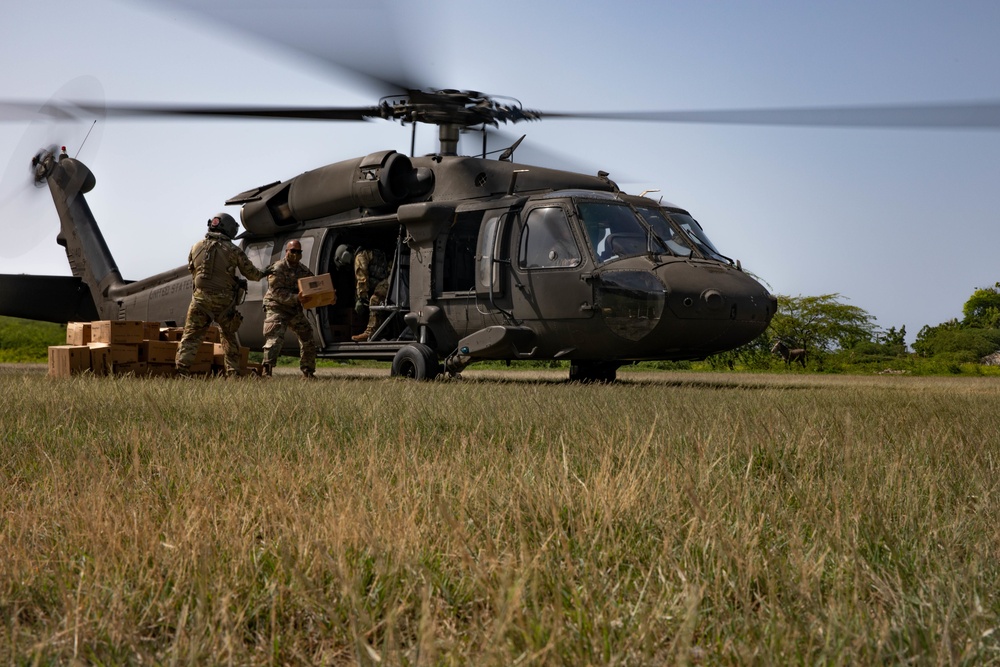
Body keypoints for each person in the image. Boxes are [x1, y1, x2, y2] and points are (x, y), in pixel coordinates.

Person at [175, 212, 268, 377]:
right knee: (229, 336)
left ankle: (182, 370)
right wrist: (266, 271)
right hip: (224, 303)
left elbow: (193, 271)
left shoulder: (196, 247)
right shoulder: (233, 250)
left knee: (190, 337)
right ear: (228, 229)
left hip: (199, 300)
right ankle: (233, 372)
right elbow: (252, 274)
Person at [262, 239, 318, 378]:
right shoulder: (278, 268)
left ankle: (308, 371)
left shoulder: (303, 270)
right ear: (286, 251)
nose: (296, 254)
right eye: (293, 251)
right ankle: (266, 370)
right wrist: (297, 298)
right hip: (276, 306)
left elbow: (314, 285)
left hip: (293, 309)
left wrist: (326, 296)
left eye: (299, 252)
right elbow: (277, 293)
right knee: (275, 338)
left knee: (307, 336)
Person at [334, 243, 389, 342]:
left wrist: (361, 298)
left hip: (388, 281)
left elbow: (362, 279)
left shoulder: (359, 257)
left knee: (375, 299)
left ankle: (369, 333)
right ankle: (382, 332)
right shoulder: (368, 253)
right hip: (389, 280)